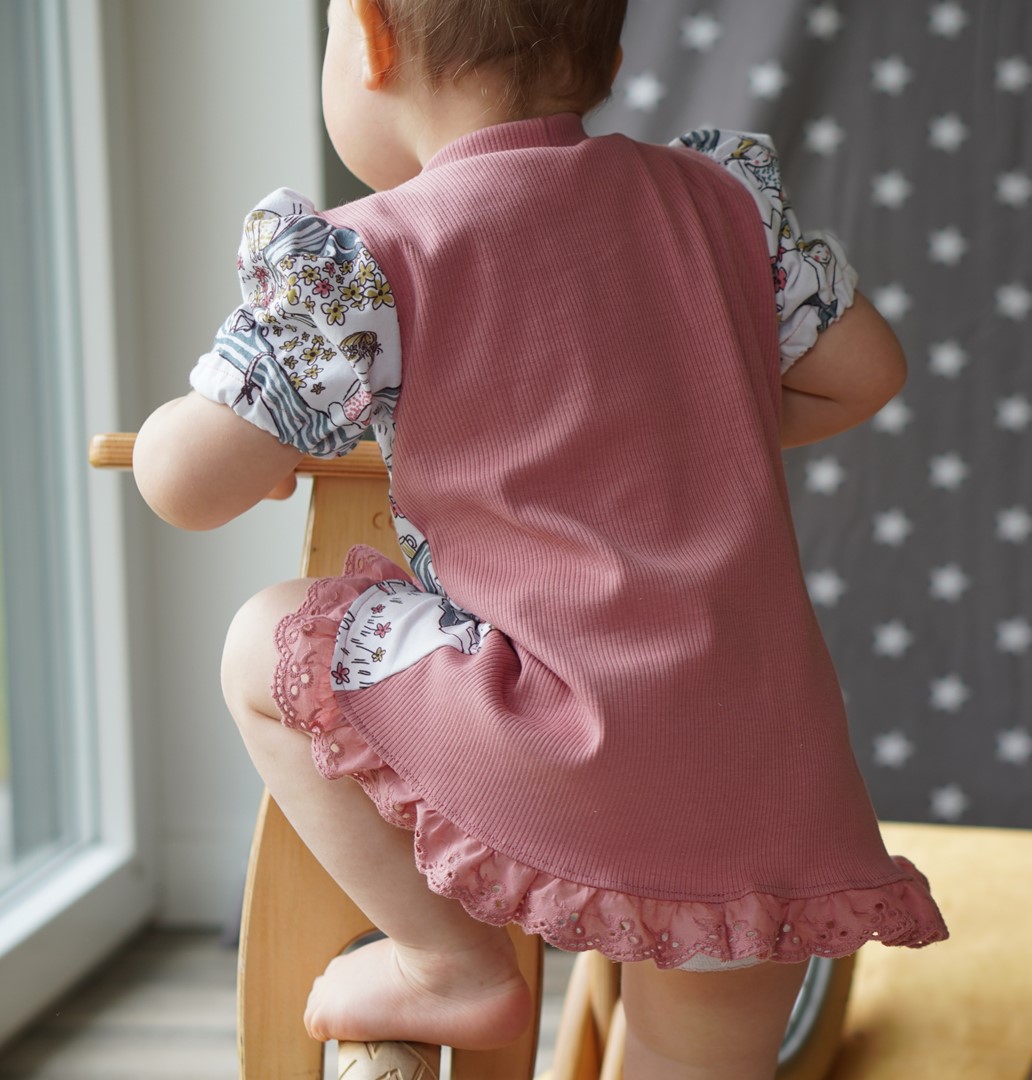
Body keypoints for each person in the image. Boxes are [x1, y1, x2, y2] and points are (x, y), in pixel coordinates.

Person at [133, 0, 948, 1076]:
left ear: (370, 39)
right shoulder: (718, 201)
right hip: (768, 768)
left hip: (560, 736)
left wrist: (240, 435)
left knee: (264, 645)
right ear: (608, 50)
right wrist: (695, 420)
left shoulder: (369, 258)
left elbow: (182, 485)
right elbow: (867, 374)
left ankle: (449, 964)